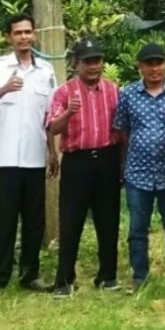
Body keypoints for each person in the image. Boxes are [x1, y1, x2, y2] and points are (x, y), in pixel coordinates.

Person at [0, 12, 56, 291]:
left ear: (34, 35)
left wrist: (53, 152)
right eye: (18, 33)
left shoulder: (46, 71)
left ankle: (30, 274)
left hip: (35, 157)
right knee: (4, 220)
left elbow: (49, 116)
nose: (23, 37)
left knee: (34, 220)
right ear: (8, 37)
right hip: (5, 158)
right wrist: (5, 88)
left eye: (27, 32)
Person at [46, 38, 122, 297]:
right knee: (71, 221)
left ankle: (108, 276)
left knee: (108, 220)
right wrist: (69, 112)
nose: (93, 66)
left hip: (107, 159)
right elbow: (52, 128)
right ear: (75, 64)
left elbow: (121, 128)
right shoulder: (64, 92)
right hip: (77, 162)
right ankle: (64, 280)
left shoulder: (113, 90)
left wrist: (122, 162)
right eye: (87, 61)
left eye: (97, 60)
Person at [114, 42, 165, 292]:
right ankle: (140, 276)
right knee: (137, 228)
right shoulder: (128, 94)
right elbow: (122, 130)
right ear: (140, 66)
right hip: (138, 173)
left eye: (159, 63)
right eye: (149, 64)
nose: (154, 69)